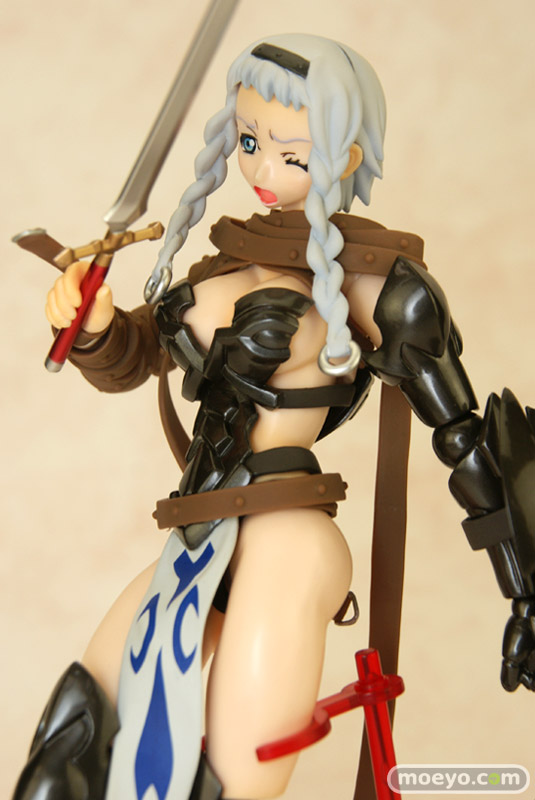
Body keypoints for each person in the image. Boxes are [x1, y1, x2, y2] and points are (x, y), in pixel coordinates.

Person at [14, 33, 535, 800]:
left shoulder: (376, 284)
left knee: (223, 782)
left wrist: (525, 590)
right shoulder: (222, 261)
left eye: (291, 154)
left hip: (286, 539)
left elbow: (463, 437)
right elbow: (134, 355)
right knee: (72, 749)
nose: (261, 171)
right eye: (250, 142)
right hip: (198, 537)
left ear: (345, 157)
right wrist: (92, 327)